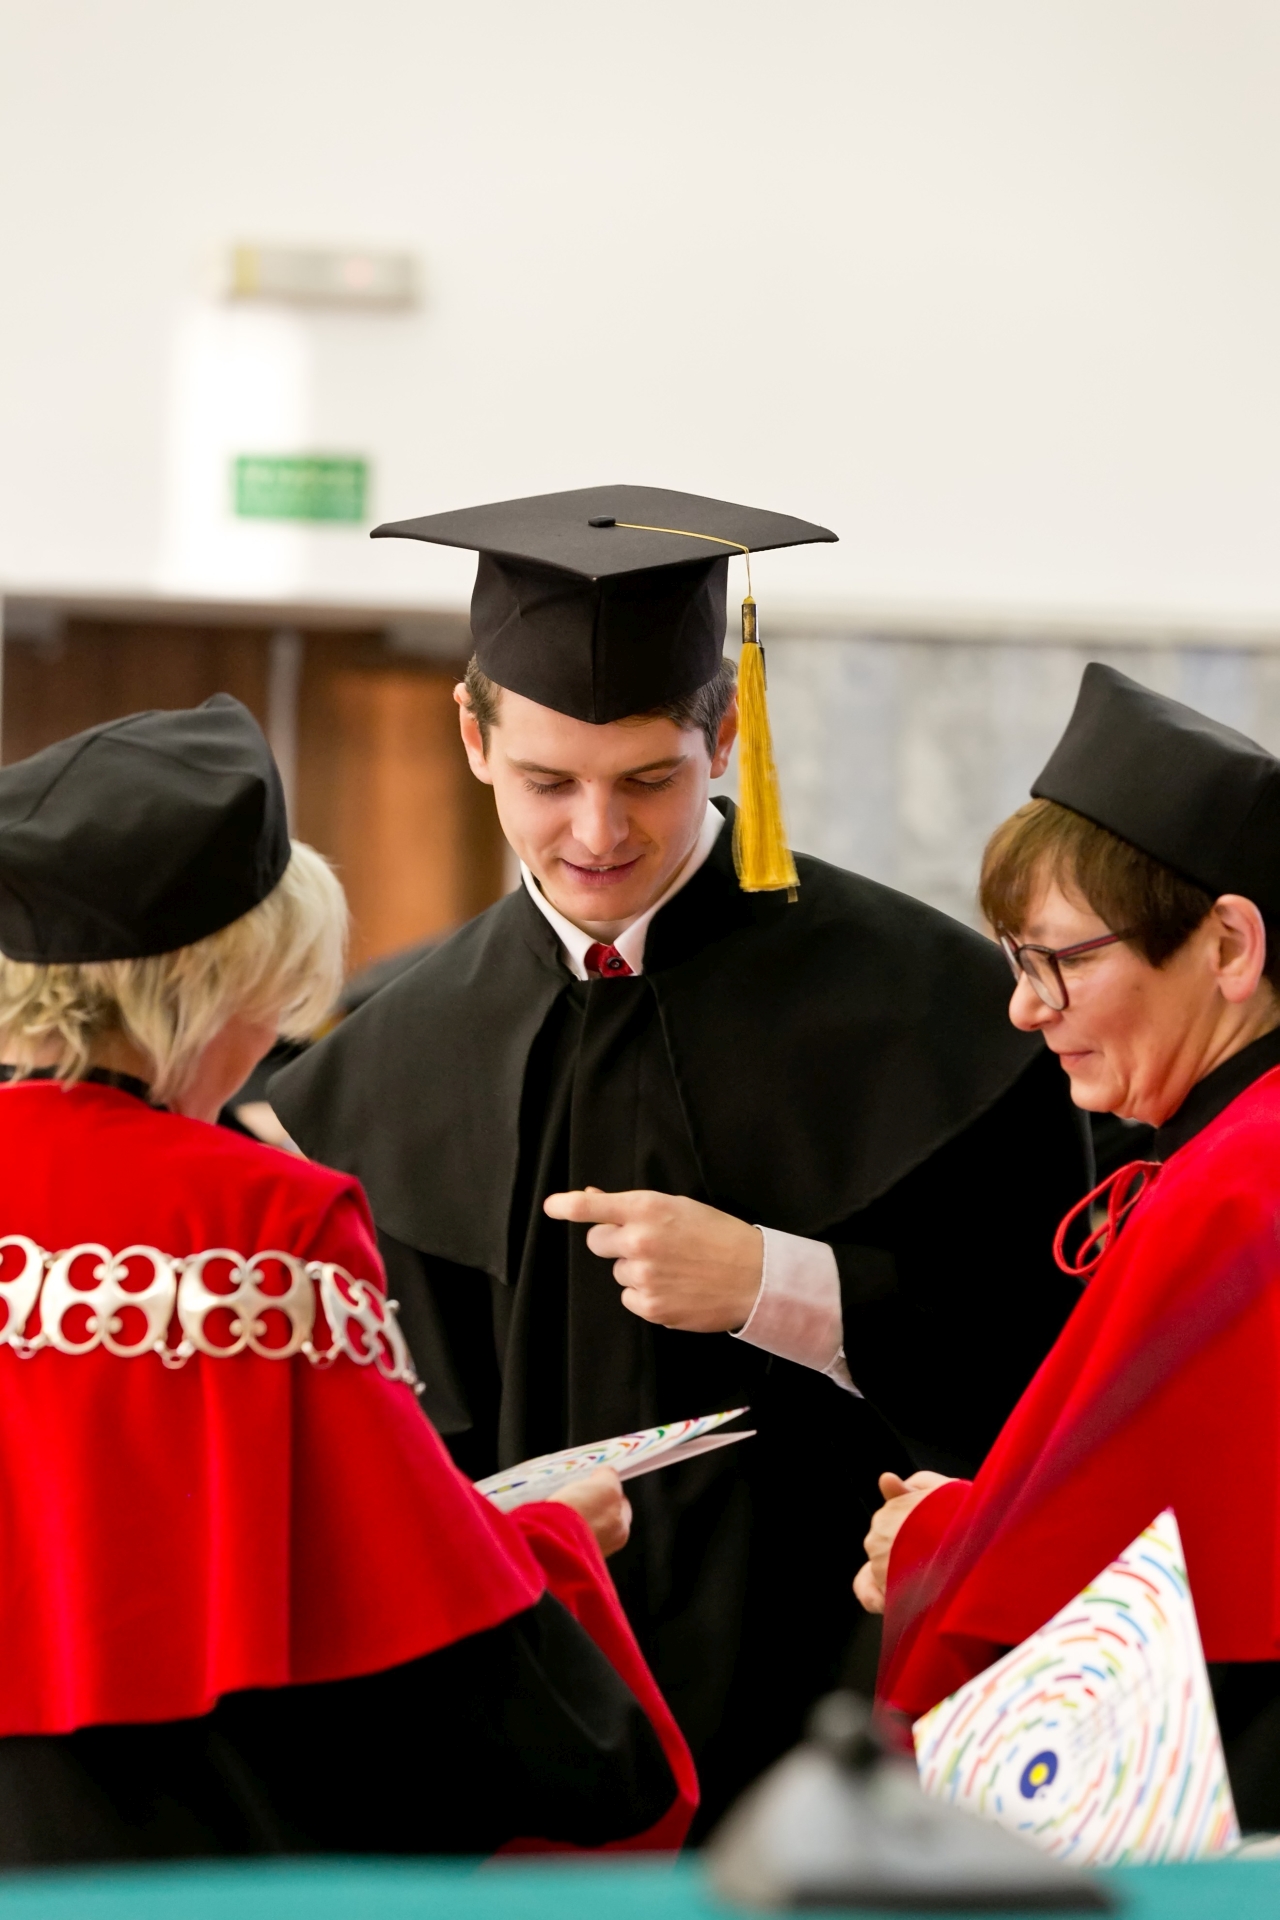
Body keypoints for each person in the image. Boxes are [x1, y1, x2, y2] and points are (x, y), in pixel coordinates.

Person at [270, 485, 1090, 1828]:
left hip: (835, 1715)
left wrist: (782, 1283)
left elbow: (1054, 1367)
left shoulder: (940, 1011)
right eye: (548, 783)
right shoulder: (377, 1057)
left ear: (723, 736)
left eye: (647, 779)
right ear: (473, 738)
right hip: (509, 1739)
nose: (597, 833)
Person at [0, 695, 695, 1865]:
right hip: (168, 1842)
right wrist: (539, 1543)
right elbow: (410, 1624)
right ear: (223, 983)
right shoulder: (258, 1219)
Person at [858, 662, 1280, 1834]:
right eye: (1015, 961)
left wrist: (935, 1542)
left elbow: (1159, 1599)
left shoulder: (1237, 1188)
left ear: (1226, 947)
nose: (1023, 1008)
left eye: (1062, 960)